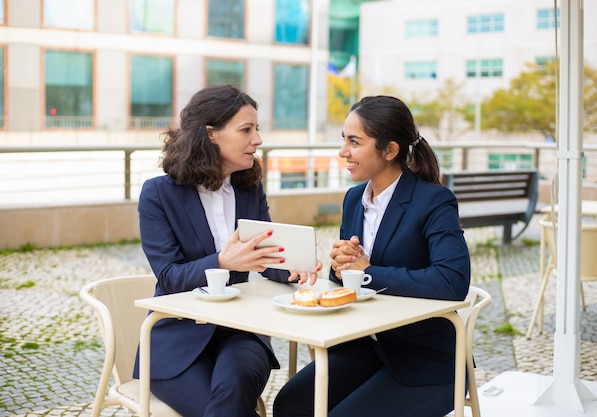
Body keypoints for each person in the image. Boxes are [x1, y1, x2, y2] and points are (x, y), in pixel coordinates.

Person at [273, 95, 471, 417]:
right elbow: (349, 280)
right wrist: (340, 265)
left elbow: (452, 281)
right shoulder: (354, 199)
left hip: (426, 360)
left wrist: (367, 270)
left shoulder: (434, 201)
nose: (343, 152)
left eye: (355, 142)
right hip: (366, 346)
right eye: (344, 140)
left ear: (390, 150)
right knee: (290, 405)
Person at [132, 84, 320, 417]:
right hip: (177, 340)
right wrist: (221, 261)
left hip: (241, 333)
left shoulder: (249, 188)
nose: (258, 139)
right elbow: (169, 277)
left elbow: (267, 258)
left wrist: (292, 267)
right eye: (246, 129)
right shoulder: (158, 195)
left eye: (257, 129)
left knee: (233, 388)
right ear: (211, 134)